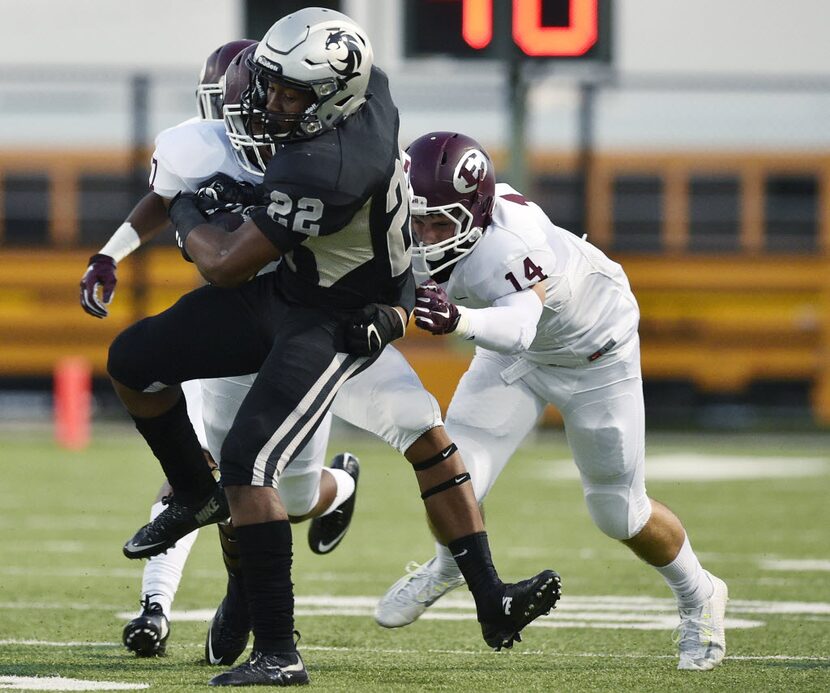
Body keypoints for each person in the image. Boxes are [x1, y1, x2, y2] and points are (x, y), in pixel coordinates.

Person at [106, 9, 559, 687]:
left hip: (332, 314)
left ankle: (279, 650)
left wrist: (189, 210)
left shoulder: (327, 168)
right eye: (272, 85)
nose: (272, 103)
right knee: (132, 360)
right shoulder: (364, 89)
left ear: (331, 101)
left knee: (251, 462)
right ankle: (196, 494)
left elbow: (225, 264)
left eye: (292, 94)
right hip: (293, 287)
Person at [374, 131, 729, 673]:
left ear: (477, 211)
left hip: (593, 358)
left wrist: (460, 320)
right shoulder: (409, 216)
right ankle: (451, 565)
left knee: (618, 511)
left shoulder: (514, 241)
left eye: (439, 223)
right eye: (416, 220)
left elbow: (518, 325)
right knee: (453, 478)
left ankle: (700, 593)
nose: (422, 236)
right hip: (515, 359)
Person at [79, 39, 358, 660]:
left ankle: (340, 489)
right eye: (246, 111)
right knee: (217, 466)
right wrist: (111, 251)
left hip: (315, 321)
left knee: (292, 495)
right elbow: (166, 194)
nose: (258, 124)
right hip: (238, 317)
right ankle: (182, 605)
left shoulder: (330, 151)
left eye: (276, 105)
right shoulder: (199, 145)